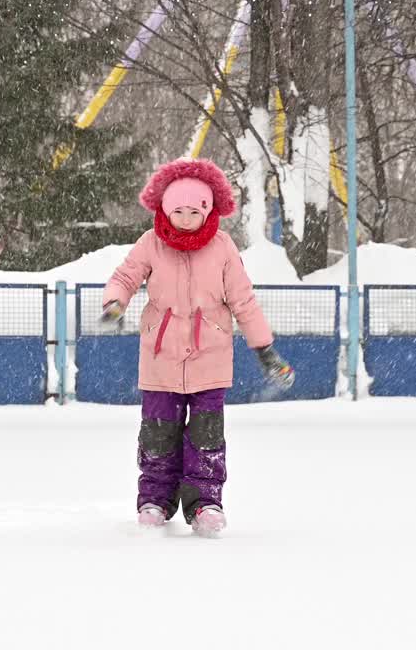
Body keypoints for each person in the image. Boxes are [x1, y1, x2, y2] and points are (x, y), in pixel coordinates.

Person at [101, 157, 295, 537]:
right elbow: (125, 275)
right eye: (179, 211)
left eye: (195, 210)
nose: (186, 218)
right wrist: (115, 300)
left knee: (206, 436)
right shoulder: (151, 243)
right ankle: (155, 500)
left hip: (211, 360)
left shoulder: (222, 248)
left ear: (208, 210)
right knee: (158, 433)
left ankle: (205, 502)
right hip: (160, 361)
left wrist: (264, 350)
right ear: (165, 209)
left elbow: (244, 301)